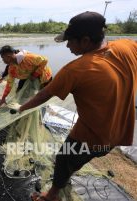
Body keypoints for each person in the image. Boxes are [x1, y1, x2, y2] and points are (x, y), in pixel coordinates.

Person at [16, 11, 137, 201]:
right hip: (119, 133)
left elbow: (44, 94)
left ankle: (52, 196)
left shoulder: (76, 70)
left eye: (70, 41)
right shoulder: (127, 46)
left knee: (64, 159)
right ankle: (69, 172)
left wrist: (20, 108)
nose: (67, 45)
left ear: (86, 40)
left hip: (90, 137)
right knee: (78, 158)